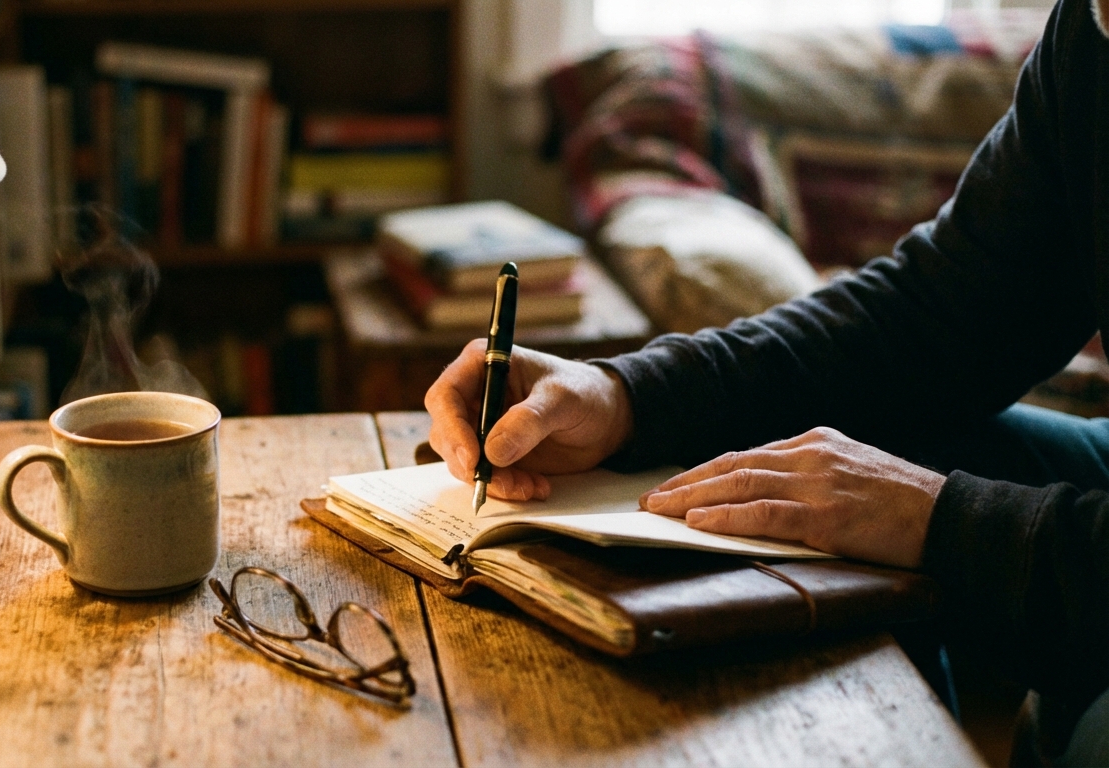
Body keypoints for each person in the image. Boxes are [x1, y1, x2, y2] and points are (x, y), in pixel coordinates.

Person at [425, 0, 1109, 762]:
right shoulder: (1088, 36)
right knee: (832, 470)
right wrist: (624, 396)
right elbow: (935, 317)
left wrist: (939, 522)